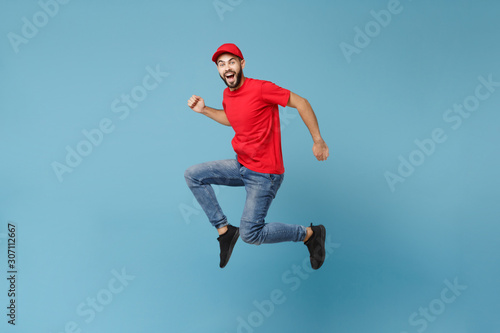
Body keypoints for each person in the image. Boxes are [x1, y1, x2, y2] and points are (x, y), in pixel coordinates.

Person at [184, 43, 330, 269]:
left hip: (265, 174)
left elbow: (301, 102)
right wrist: (204, 110)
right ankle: (225, 231)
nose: (226, 68)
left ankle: (310, 234)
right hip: (241, 165)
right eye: (221, 64)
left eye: (231, 62)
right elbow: (232, 118)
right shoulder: (227, 94)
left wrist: (318, 140)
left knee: (251, 233)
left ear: (242, 64)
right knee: (193, 175)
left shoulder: (261, 89)